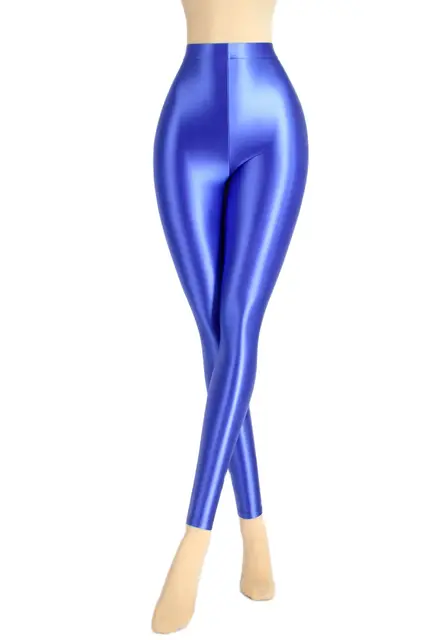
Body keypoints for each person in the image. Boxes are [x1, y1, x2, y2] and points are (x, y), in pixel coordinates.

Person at [152, 0, 309, 633]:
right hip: (185, 125)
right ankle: (256, 531)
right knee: (216, 336)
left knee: (238, 323)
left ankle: (194, 541)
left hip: (270, 124)